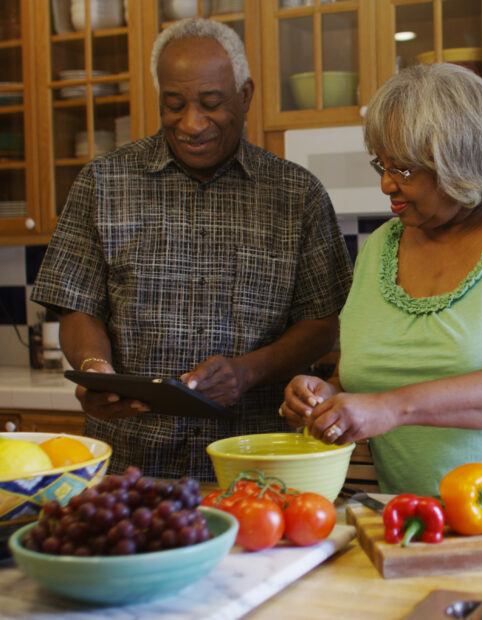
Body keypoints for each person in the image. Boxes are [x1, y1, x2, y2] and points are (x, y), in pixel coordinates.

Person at [31, 18, 353, 481]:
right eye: (174, 104)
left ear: (245, 96)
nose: (191, 123)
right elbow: (77, 306)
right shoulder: (102, 182)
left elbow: (323, 323)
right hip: (130, 458)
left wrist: (247, 371)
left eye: (211, 103)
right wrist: (95, 371)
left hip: (254, 459)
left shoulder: (295, 194)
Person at [281, 63, 482, 499]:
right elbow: (361, 378)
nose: (385, 184)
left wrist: (393, 408)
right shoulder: (379, 248)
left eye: (405, 170)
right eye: (381, 164)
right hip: (419, 519)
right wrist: (326, 395)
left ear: (461, 161)